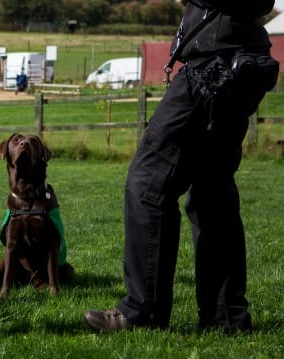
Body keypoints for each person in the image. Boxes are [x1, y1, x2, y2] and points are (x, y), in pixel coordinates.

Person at [84, 0, 279, 333]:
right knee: (213, 192)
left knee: (148, 183)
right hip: (234, 63)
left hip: (213, 67)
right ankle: (225, 317)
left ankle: (142, 311)